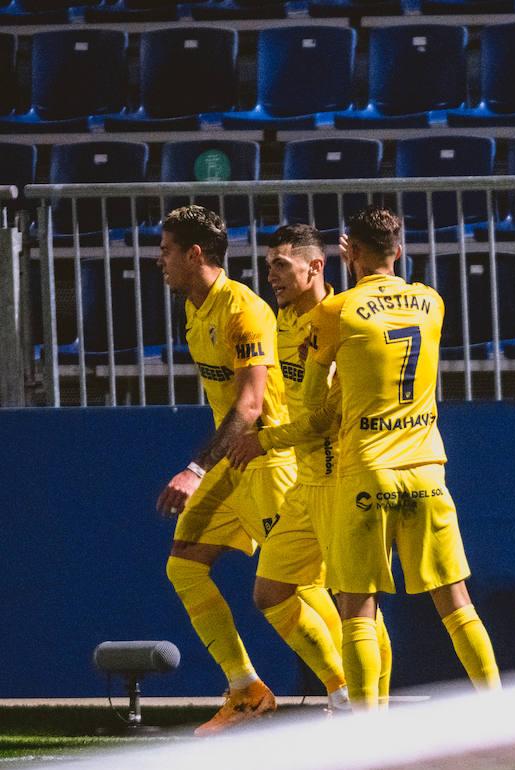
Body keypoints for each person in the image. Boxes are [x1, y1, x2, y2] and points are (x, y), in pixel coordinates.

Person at [301, 206, 500, 707]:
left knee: (358, 610)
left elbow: (315, 409)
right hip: (427, 469)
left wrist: (337, 383)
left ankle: (368, 733)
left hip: (367, 470)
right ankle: (499, 711)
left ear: (353, 251)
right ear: (401, 249)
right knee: (457, 604)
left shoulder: (335, 311)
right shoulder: (431, 303)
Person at [154, 206, 341, 734]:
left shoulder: (244, 310)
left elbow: (252, 405)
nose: (159, 260)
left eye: (167, 250)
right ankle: (246, 690)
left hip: (267, 462)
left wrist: (194, 468)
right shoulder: (196, 307)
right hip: (233, 464)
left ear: (194, 254)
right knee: (184, 566)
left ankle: (350, 698)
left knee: (301, 589)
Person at [227, 225, 397, 710]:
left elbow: (331, 418)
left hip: (343, 480)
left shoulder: (343, 320)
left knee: (356, 606)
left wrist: (266, 441)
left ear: (315, 267)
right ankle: (344, 691)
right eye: (268, 267)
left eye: (282, 265)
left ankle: (374, 713)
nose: (272, 276)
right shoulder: (279, 324)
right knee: (270, 593)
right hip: (305, 484)